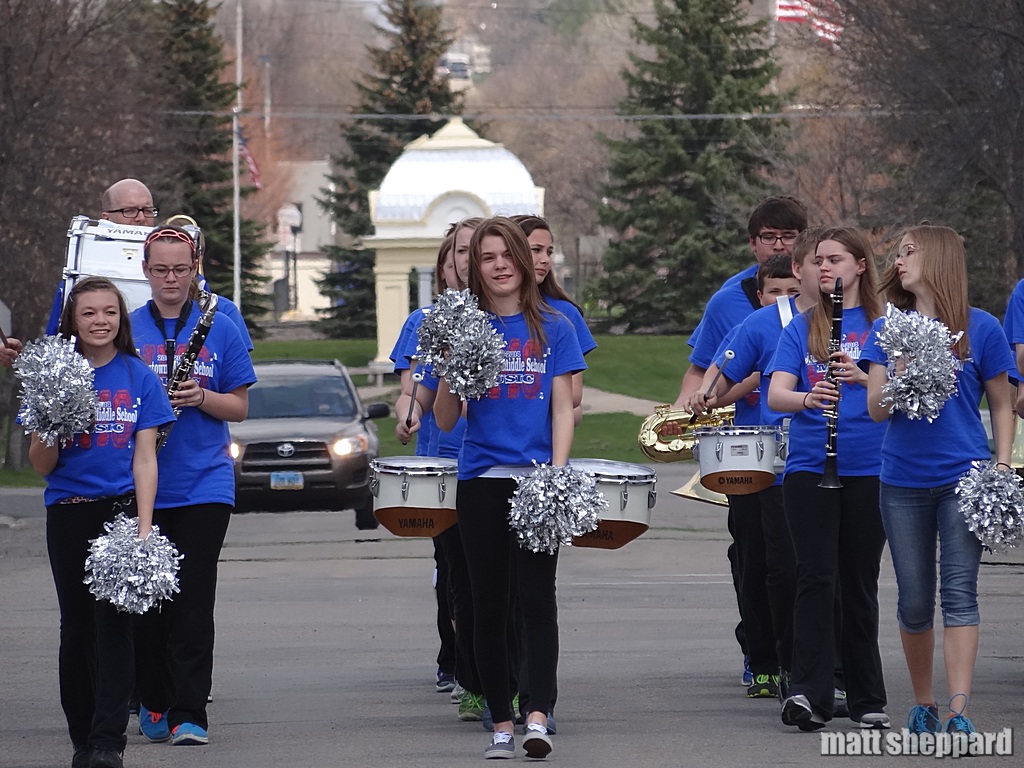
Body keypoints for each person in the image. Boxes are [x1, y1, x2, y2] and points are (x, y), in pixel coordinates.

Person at [402, 217, 584, 760]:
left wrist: (556, 471)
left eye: (507, 255)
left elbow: (563, 409)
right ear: (474, 269)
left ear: (524, 262)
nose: (500, 265)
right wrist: (457, 370)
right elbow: (448, 418)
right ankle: (500, 718)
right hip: (480, 482)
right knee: (486, 604)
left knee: (536, 601)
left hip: (537, 484)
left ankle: (537, 714)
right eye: (486, 258)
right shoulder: (462, 328)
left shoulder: (555, 325)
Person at [861, 226, 1014, 740]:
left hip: (963, 479)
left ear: (939, 258)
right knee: (914, 599)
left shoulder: (982, 328)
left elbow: (1000, 402)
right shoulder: (889, 329)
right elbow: (876, 411)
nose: (898, 261)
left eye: (908, 252)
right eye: (897, 253)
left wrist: (1003, 463)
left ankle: (959, 711)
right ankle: (923, 702)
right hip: (901, 481)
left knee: (960, 594)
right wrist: (900, 371)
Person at [28, 277, 174, 768]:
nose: (99, 321)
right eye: (88, 313)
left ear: (121, 319)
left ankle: (110, 741)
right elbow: (41, 465)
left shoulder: (138, 376)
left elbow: (146, 458)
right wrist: (53, 414)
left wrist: (145, 526)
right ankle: (83, 738)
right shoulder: (56, 375)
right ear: (73, 320)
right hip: (69, 512)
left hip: (121, 513)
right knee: (78, 628)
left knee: (116, 627)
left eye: (109, 312)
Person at [670, 195, 808, 686]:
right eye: (768, 236)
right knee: (751, 556)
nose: (777, 243)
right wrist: (687, 410)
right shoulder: (728, 299)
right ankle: (761, 656)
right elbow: (702, 366)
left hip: (803, 448)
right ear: (752, 243)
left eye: (787, 236)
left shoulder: (820, 299)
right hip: (744, 448)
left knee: (792, 560)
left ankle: (800, 660)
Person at [130, 225, 256, 746]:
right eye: (160, 269)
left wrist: (200, 396)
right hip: (140, 483)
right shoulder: (126, 327)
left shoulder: (219, 325)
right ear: (145, 272)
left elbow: (241, 408)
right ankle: (152, 698)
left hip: (204, 482)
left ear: (196, 267)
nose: (171, 279)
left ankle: (189, 711)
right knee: (144, 599)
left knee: (191, 598)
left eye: (181, 269)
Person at [766, 226, 889, 731]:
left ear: (860, 265)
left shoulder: (888, 325)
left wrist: (865, 379)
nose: (824, 268)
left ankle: (867, 698)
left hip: (871, 468)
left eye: (835, 259)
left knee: (859, 583)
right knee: (814, 578)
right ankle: (808, 695)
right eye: (818, 260)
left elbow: (897, 397)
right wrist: (808, 399)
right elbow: (777, 395)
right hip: (810, 469)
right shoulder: (804, 326)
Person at [47, 179, 253, 351]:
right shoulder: (83, 273)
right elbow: (57, 337)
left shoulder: (189, 279)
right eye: (129, 211)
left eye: (147, 210)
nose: (140, 218)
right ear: (106, 217)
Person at [513, 215, 597, 425]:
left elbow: (574, 395)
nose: (546, 259)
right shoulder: (484, 312)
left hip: (545, 445)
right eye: (536, 250)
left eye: (549, 252)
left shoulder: (565, 315)